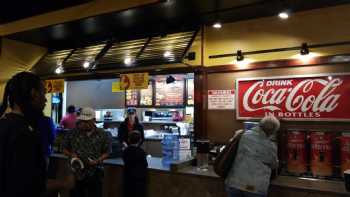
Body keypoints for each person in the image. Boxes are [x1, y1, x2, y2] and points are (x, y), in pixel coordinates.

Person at [0, 72, 47, 197]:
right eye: (43, 93)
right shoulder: (24, 133)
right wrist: (62, 183)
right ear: (33, 93)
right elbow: (26, 186)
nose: (45, 99)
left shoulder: (4, 124)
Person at [225, 115, 280, 197]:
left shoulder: (242, 134)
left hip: (234, 183)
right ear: (272, 132)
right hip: (254, 188)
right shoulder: (271, 145)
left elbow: (229, 147)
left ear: (259, 125)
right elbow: (273, 165)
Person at [63, 107, 112, 197]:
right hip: (77, 173)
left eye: (87, 121)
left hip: (95, 173)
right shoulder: (72, 133)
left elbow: (107, 152)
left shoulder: (103, 134)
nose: (84, 124)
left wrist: (97, 160)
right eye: (82, 121)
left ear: (94, 120)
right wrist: (71, 155)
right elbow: (64, 149)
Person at [122, 130, 148, 197]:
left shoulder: (126, 151)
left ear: (128, 139)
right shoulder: (141, 152)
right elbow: (145, 165)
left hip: (128, 180)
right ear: (140, 140)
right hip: (138, 181)